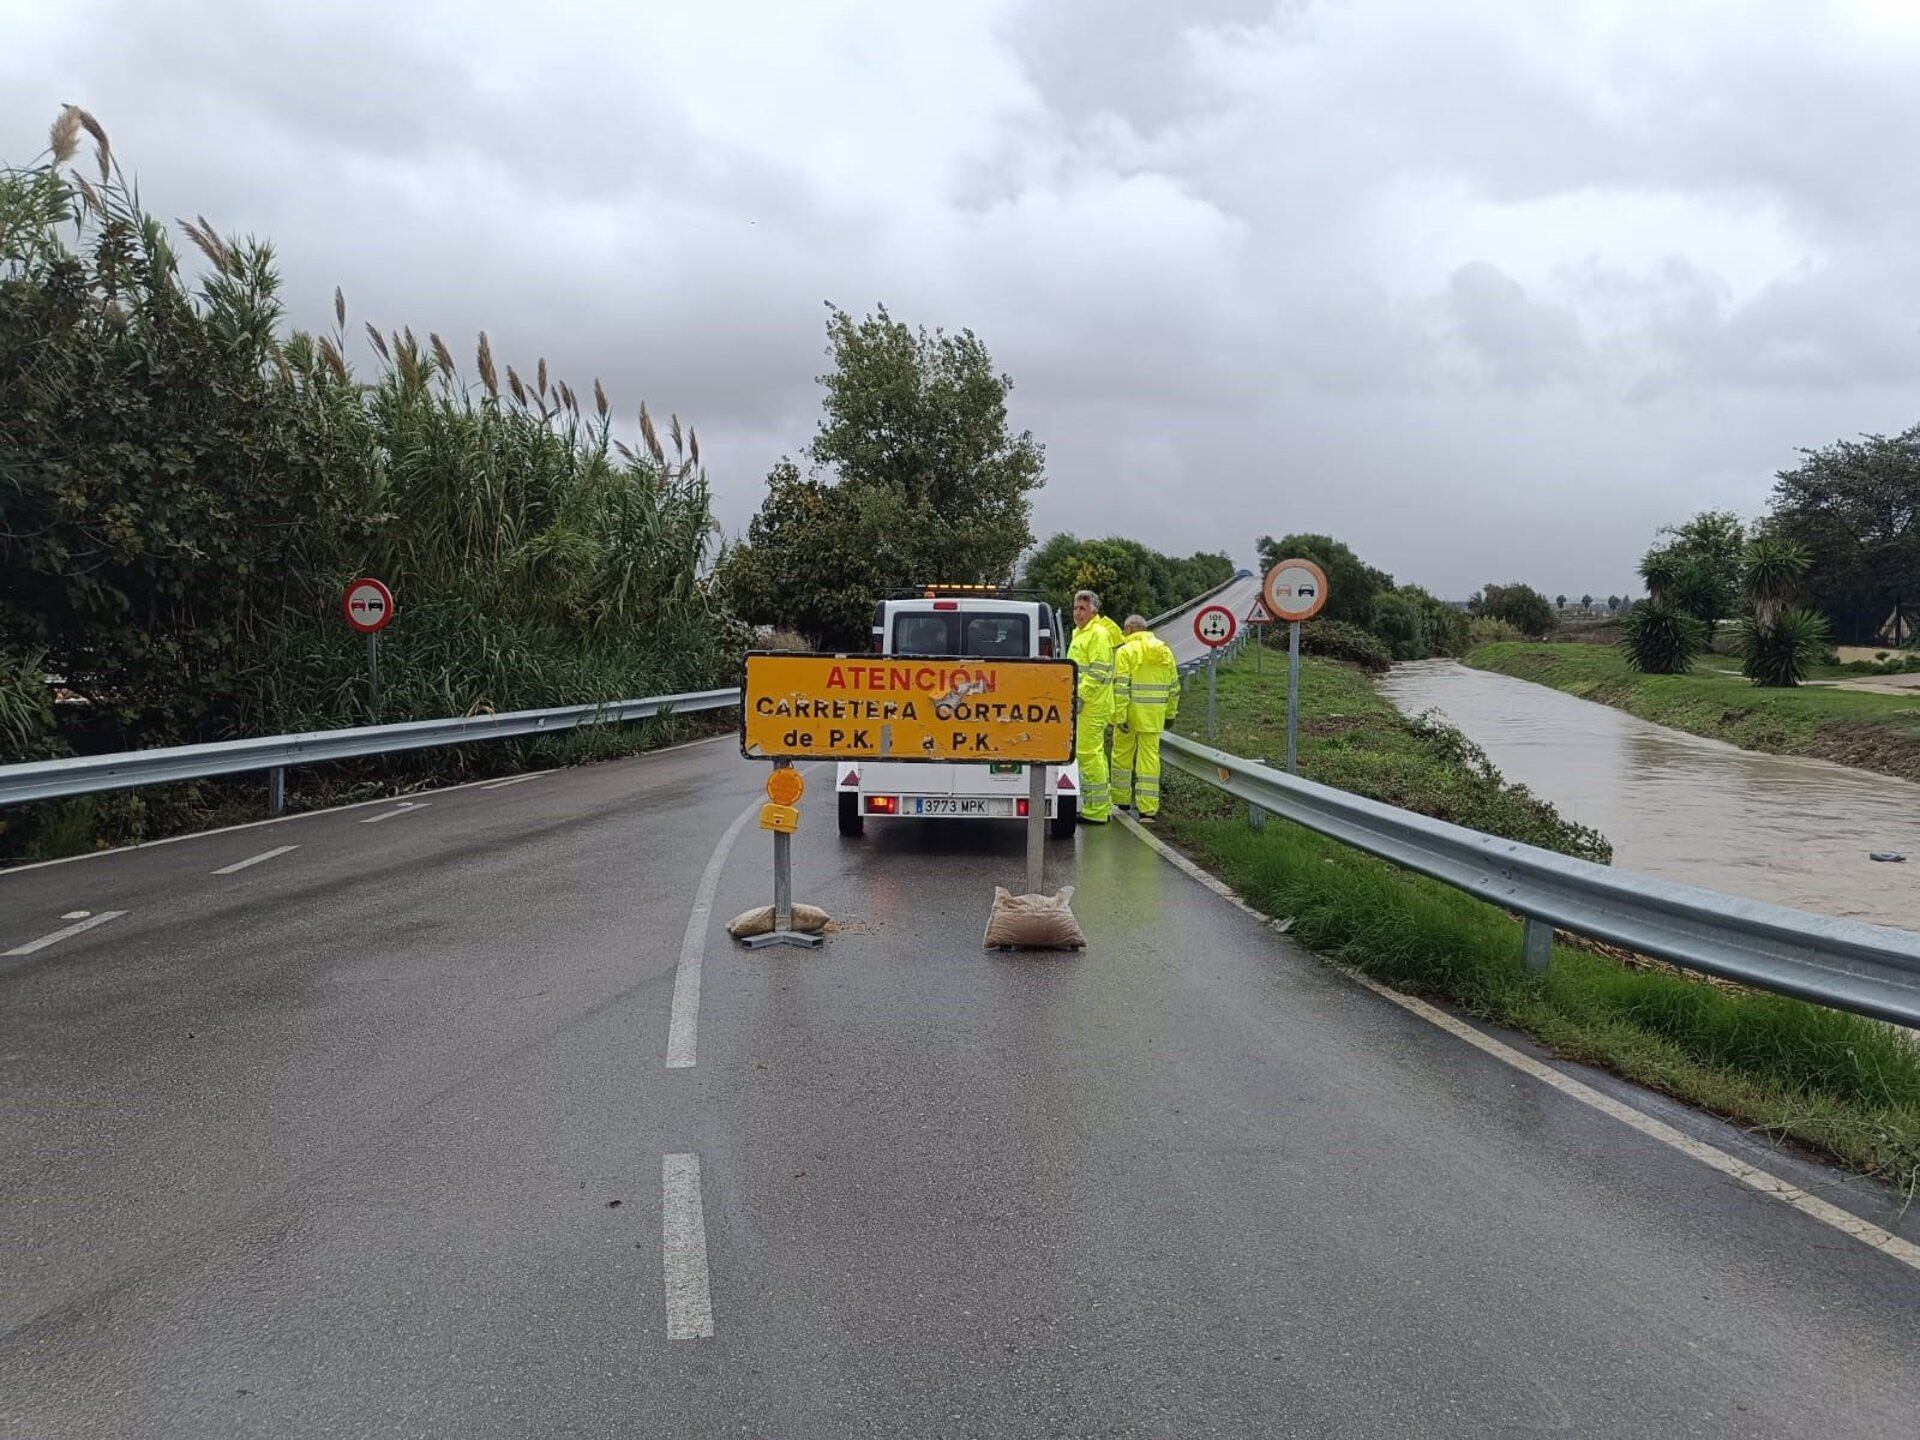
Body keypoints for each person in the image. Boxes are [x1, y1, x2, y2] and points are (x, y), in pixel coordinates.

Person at [1111, 614, 1178, 822]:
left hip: (1129, 715)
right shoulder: (1164, 651)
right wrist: (1170, 714)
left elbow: (1121, 687)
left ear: (1130, 629)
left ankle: (1120, 801)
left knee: (1122, 756)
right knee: (1149, 760)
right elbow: (1174, 687)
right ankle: (1147, 809)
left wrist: (1119, 716)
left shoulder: (1125, 651)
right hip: (1154, 715)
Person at [1067, 589, 1115, 823]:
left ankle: (1096, 811)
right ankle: (1100, 806)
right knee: (1093, 754)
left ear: (1094, 610)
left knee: (1087, 754)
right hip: (1086, 703)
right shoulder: (1080, 633)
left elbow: (1098, 672)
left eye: (1082, 608)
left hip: (1092, 705)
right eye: (1076, 608)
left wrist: (1081, 697)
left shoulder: (1097, 634)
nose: (1078, 613)